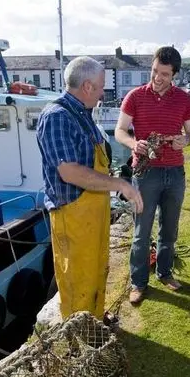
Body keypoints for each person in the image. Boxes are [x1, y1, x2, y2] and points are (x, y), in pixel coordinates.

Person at [37, 57, 143, 319]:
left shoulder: (82, 114)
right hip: (72, 215)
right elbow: (70, 171)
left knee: (97, 269)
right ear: (86, 86)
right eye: (100, 87)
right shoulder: (57, 117)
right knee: (77, 277)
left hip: (93, 212)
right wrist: (120, 184)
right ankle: (80, 334)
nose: (103, 92)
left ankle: (95, 318)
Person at [115, 46, 190, 304]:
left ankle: (164, 272)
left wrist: (185, 140)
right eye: (154, 71)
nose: (157, 77)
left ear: (175, 74)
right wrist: (133, 144)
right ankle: (138, 282)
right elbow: (120, 130)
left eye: (164, 73)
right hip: (145, 173)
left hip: (175, 172)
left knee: (169, 229)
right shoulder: (135, 96)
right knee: (141, 231)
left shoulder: (184, 99)